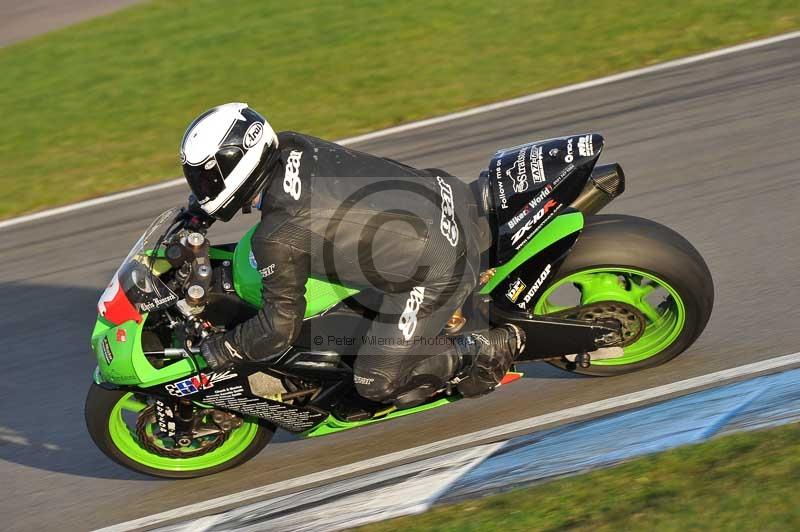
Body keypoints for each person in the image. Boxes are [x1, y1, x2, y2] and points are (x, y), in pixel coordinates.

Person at [181, 102, 524, 410]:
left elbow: (278, 329)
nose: (202, 187)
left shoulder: (278, 237)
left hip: (442, 265)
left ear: (232, 165)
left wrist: (223, 349)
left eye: (205, 178)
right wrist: (197, 214)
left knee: (376, 381)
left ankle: (483, 349)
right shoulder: (292, 145)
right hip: (445, 195)